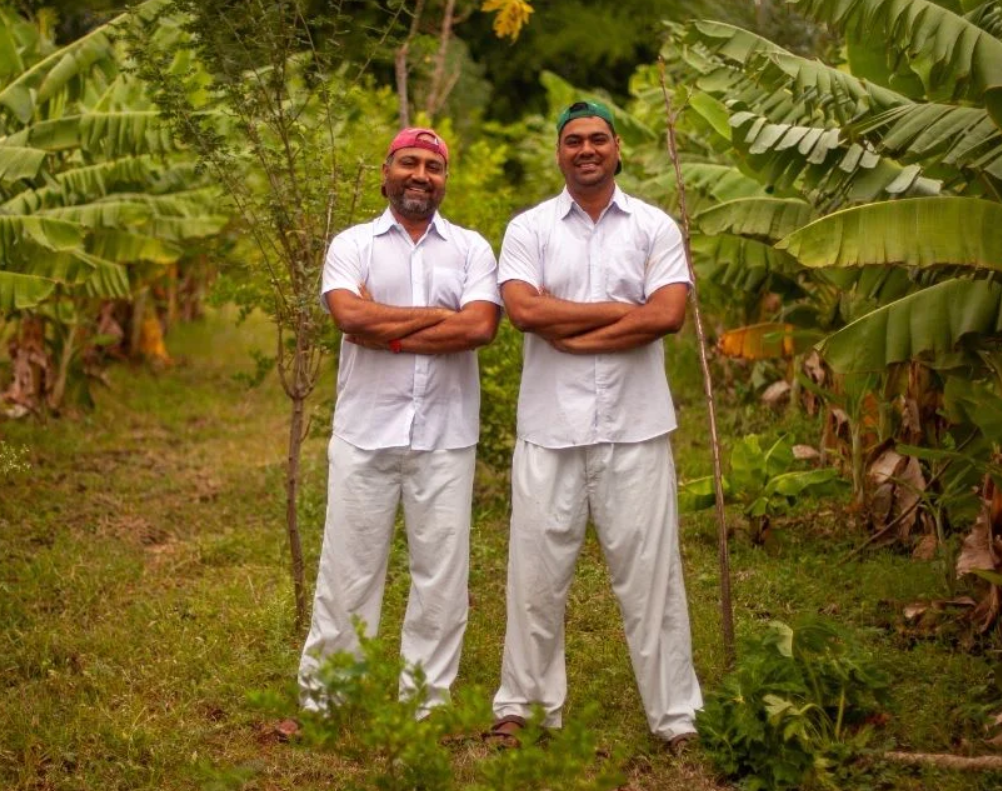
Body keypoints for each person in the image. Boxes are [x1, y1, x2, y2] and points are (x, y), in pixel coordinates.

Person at [488, 101, 701, 750]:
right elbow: (523, 310)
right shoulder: (528, 228)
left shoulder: (654, 226)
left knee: (651, 576)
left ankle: (676, 717)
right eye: (574, 140)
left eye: (598, 139)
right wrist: (617, 313)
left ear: (618, 149)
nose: (587, 149)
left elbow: (666, 314)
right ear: (559, 152)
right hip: (549, 429)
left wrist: (573, 324)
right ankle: (523, 706)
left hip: (636, 427)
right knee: (534, 576)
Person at [283, 127, 502, 737]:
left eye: (433, 167)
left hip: (445, 436)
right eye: (410, 162)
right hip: (365, 433)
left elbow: (480, 327)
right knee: (347, 572)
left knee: (441, 577)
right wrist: (439, 316)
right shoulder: (352, 244)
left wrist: (392, 332)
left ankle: (423, 705)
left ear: (444, 181)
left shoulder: (471, 249)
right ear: (386, 172)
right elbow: (348, 315)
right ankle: (329, 700)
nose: (421, 175)